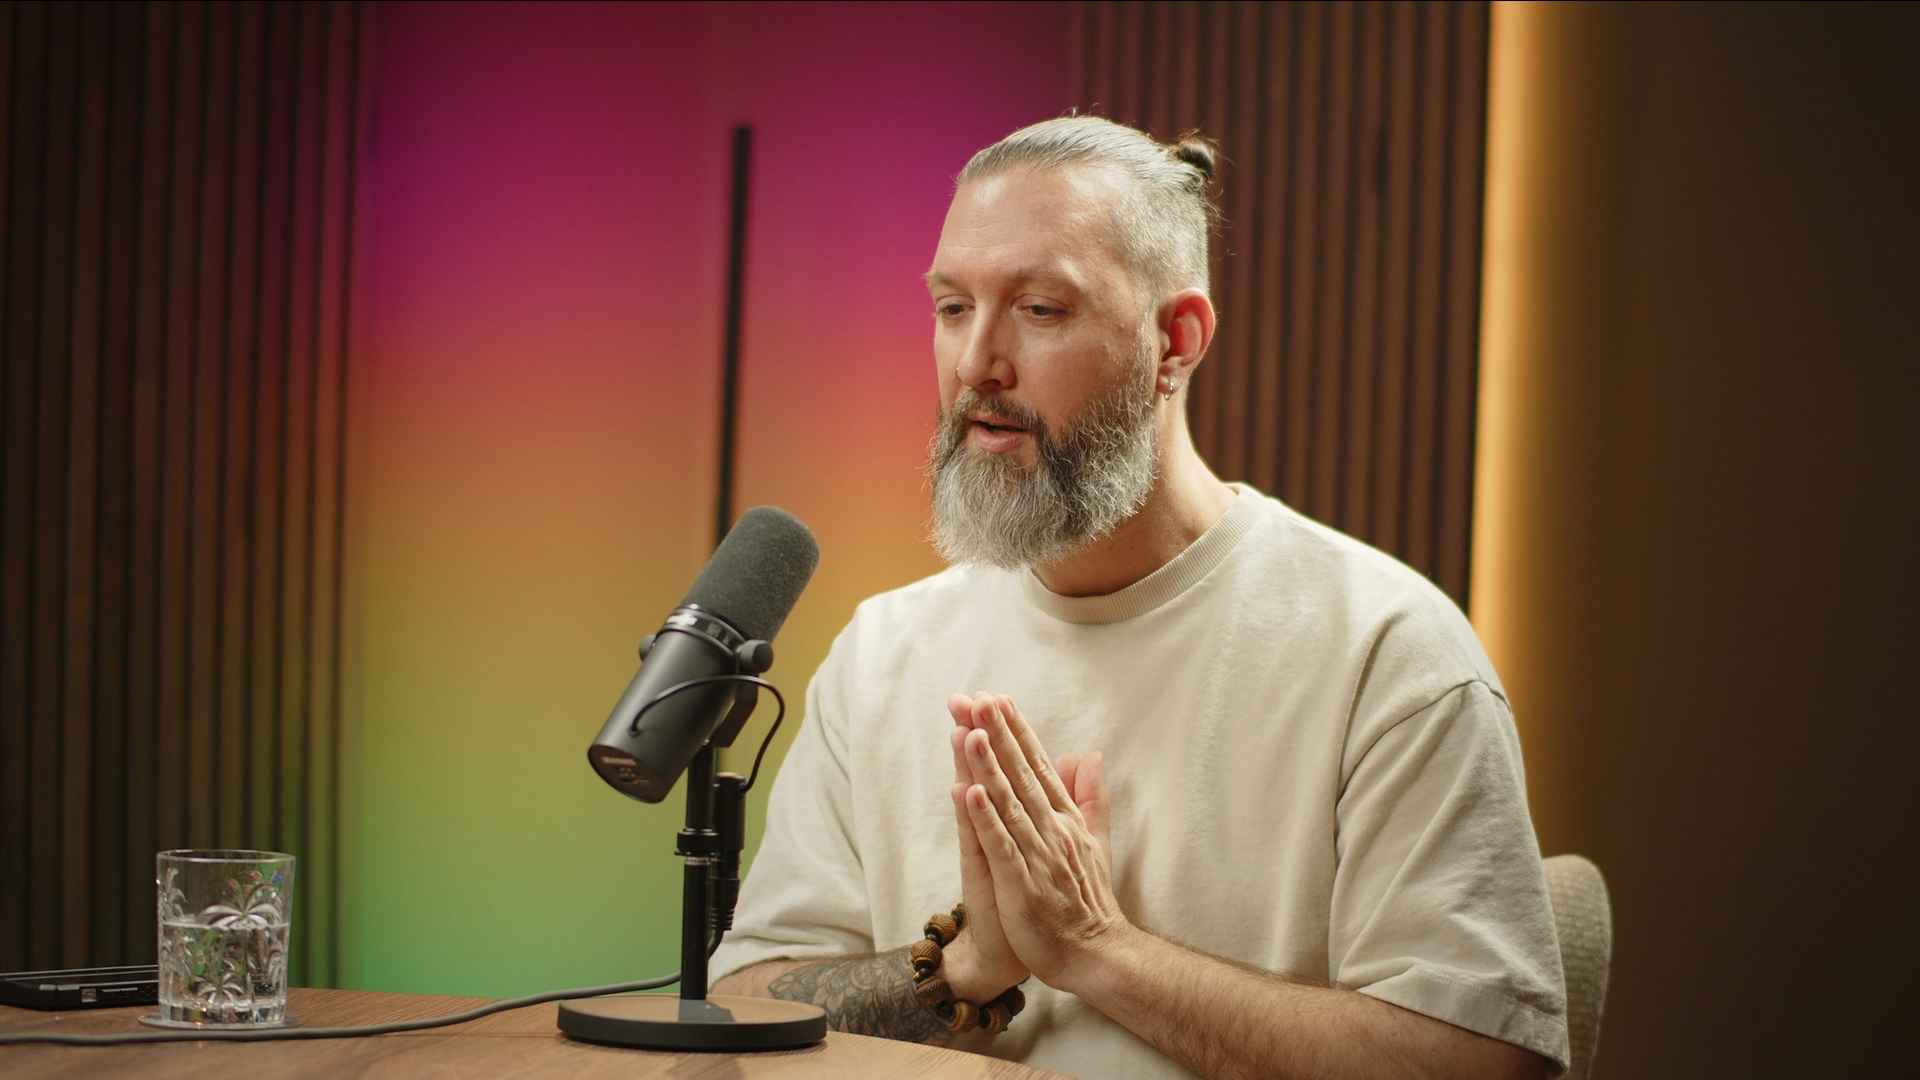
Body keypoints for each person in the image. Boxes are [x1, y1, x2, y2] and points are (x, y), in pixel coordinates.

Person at [711, 116, 1570, 1080]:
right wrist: (964, 968)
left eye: (1039, 309)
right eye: (953, 308)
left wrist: (1098, 953)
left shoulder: (1385, 651)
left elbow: (1487, 1065)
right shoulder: (883, 653)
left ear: (1177, 340)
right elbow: (744, 1004)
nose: (976, 364)